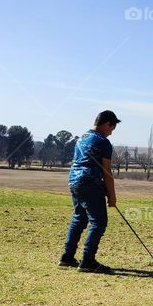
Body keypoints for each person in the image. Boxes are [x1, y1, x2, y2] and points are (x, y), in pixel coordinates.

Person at [59, 110, 120, 273]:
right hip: (89, 183)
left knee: (79, 218)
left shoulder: (81, 139)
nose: (111, 132)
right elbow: (107, 172)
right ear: (107, 124)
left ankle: (67, 257)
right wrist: (112, 197)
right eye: (112, 128)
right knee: (99, 222)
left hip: (74, 182)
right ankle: (87, 261)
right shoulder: (103, 142)